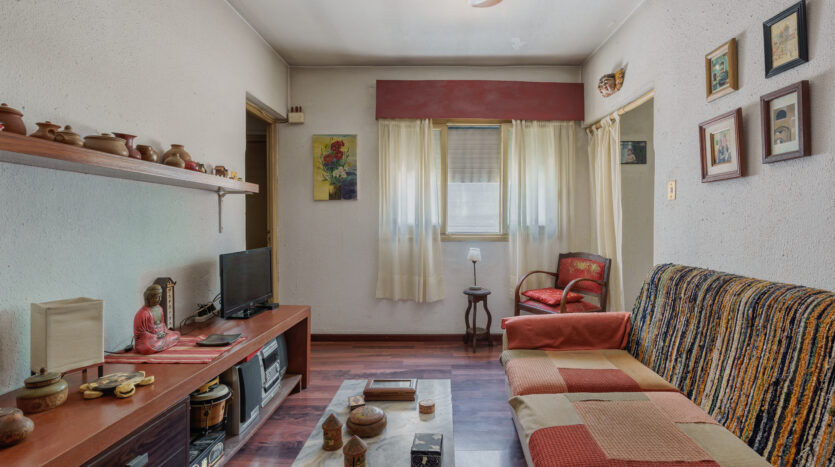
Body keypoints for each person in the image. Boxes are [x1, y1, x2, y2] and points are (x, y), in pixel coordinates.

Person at [133, 284, 180, 354]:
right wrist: (155, 336)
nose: (160, 299)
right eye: (157, 297)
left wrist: (164, 332)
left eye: (160, 297)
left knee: (176, 335)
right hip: (149, 339)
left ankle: (160, 344)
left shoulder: (160, 308)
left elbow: (163, 324)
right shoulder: (143, 313)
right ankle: (159, 345)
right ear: (149, 298)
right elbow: (140, 333)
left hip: (161, 335)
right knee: (147, 347)